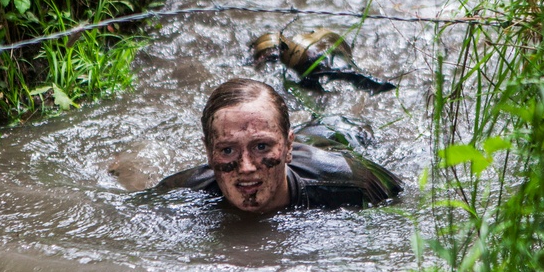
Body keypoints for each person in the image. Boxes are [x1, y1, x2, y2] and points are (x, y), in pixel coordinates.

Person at [157, 79, 402, 213]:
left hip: (335, 133)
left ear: (287, 147)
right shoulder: (180, 193)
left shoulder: (352, 182)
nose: (246, 167)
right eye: (228, 150)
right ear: (209, 153)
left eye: (261, 147)